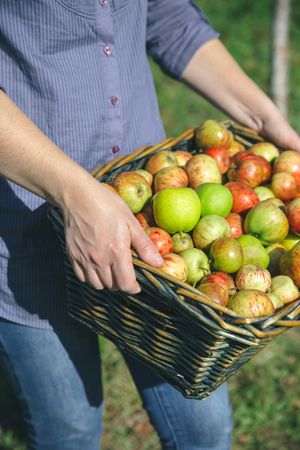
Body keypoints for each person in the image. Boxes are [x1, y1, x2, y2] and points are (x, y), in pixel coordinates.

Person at [0, 1, 299, 449]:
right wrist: (75, 194)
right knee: (70, 432)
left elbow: (166, 13)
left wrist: (263, 118)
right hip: (26, 219)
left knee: (204, 430)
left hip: (155, 232)